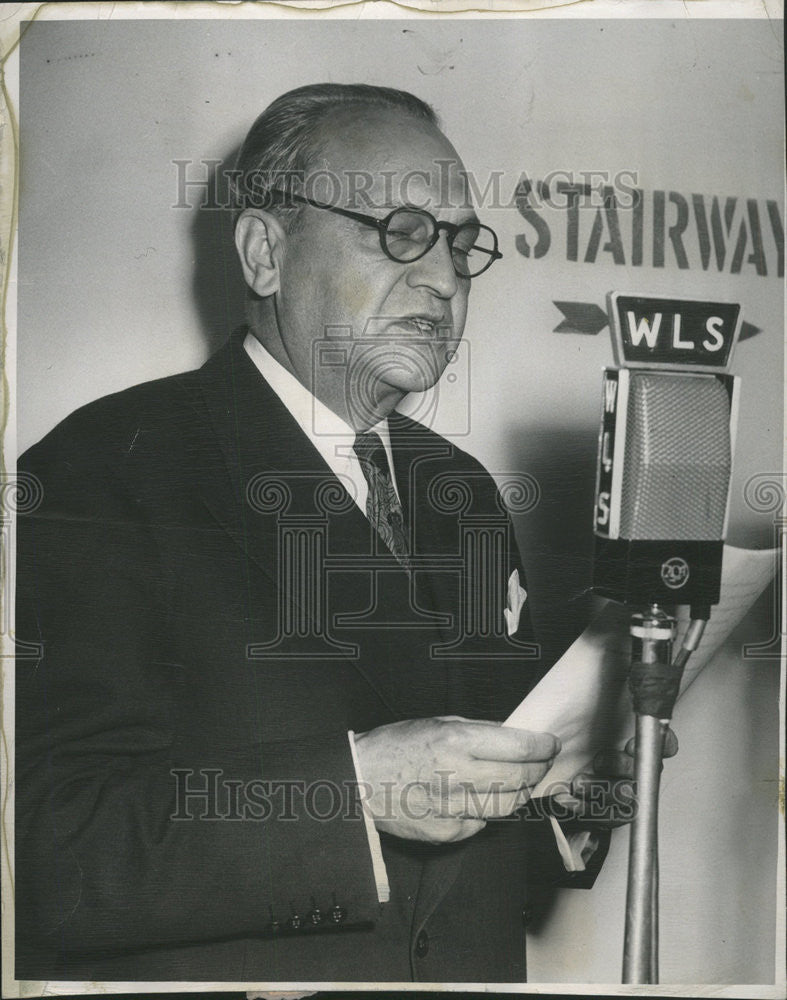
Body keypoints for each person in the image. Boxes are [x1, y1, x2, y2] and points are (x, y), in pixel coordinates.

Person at [16, 83, 656, 984]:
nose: (442, 278)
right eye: (399, 230)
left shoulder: (461, 492)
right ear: (265, 252)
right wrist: (352, 792)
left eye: (461, 244)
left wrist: (586, 773)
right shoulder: (106, 468)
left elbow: (493, 833)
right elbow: (52, 850)